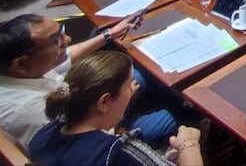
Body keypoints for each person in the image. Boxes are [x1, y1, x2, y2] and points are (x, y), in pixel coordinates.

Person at [0, 14, 177, 149]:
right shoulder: (31, 111)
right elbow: (93, 139)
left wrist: (108, 35)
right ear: (21, 63)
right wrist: (123, 101)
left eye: (62, 33)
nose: (67, 40)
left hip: (90, 110)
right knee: (172, 117)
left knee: (133, 74)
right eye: (56, 41)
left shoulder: (22, 70)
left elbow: (65, 57)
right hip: (104, 139)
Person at [28, 51, 202, 166]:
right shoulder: (122, 152)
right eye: (128, 86)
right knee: (190, 118)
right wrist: (190, 144)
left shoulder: (43, 136)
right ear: (104, 102)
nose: (133, 89)